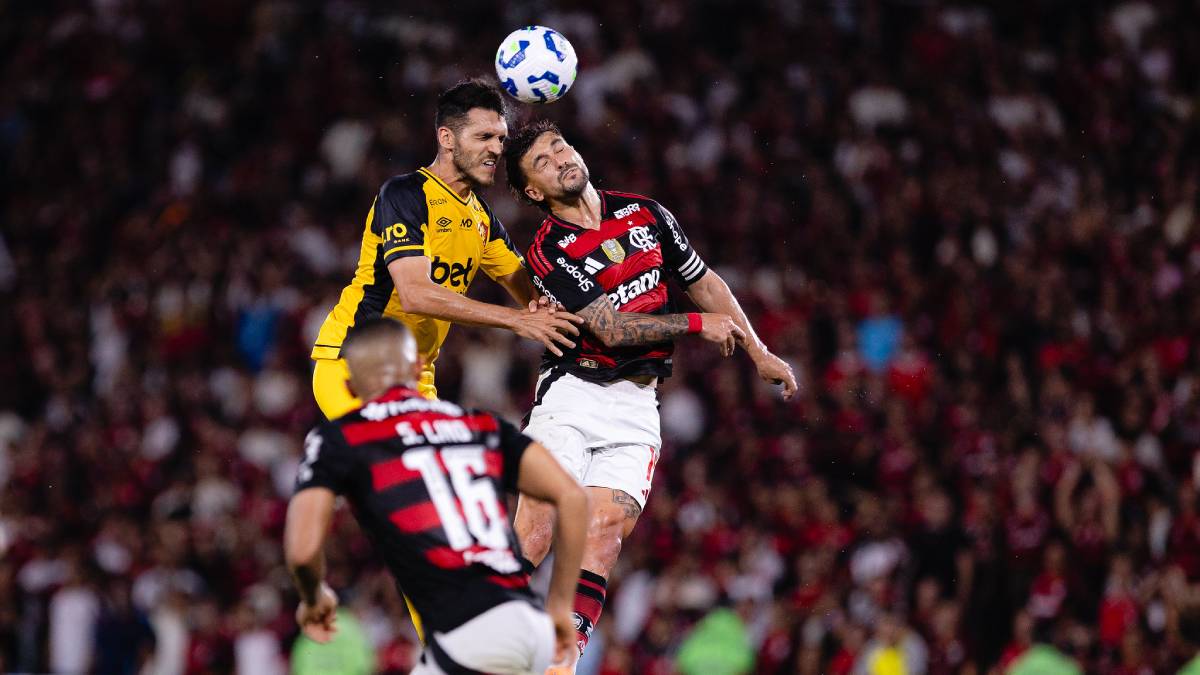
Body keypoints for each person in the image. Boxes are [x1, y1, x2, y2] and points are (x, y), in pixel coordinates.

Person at [501, 119, 798, 668]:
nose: (560, 158)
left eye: (559, 145)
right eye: (542, 162)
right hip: (573, 392)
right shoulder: (548, 251)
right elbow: (610, 328)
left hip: (638, 402)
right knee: (539, 527)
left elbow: (705, 282)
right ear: (534, 193)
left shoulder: (646, 213)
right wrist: (694, 326)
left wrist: (758, 351)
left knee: (604, 532)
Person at [285, 319, 589, 674]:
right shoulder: (478, 424)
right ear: (418, 367)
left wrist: (313, 598)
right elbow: (573, 498)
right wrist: (560, 606)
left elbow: (303, 552)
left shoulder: (342, 438)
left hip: (470, 636)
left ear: (349, 385)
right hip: (529, 625)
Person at [310, 78, 581, 419]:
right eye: (483, 137)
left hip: (415, 379)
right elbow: (415, 293)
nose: (496, 149)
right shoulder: (406, 194)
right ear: (447, 138)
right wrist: (515, 321)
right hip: (356, 365)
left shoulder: (481, 218)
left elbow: (533, 294)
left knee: (440, 470)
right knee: (406, 468)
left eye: (500, 138)